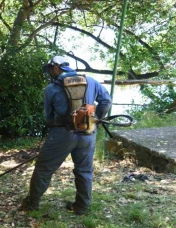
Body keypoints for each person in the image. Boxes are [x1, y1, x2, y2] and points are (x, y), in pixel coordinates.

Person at [19, 55, 112, 215]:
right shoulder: (91, 81)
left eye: (50, 70)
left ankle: (32, 204)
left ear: (56, 68)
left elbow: (49, 116)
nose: (49, 74)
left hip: (61, 135)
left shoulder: (51, 89)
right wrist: (97, 120)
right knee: (84, 170)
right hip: (87, 133)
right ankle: (81, 207)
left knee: (44, 169)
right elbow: (106, 101)